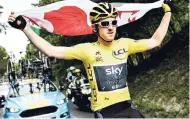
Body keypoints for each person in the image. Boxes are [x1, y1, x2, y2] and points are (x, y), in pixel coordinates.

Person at [8, 1, 171, 118]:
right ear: (95, 28)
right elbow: (51, 50)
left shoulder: (125, 44)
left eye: (113, 22)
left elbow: (155, 41)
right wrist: (25, 28)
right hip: (104, 112)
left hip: (128, 107)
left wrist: (167, 13)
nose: (110, 27)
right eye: (105, 23)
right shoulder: (87, 50)